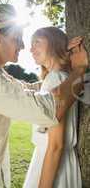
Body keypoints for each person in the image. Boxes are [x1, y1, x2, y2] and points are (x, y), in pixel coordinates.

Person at [0, 4, 88, 188]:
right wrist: (80, 70)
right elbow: (47, 109)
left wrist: (59, 58)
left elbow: (33, 88)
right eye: (17, 38)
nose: (23, 45)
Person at [23, 27, 83, 188]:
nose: (30, 48)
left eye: (37, 42)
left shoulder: (56, 79)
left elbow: (56, 145)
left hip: (52, 164)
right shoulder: (58, 79)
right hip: (55, 161)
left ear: (54, 44)